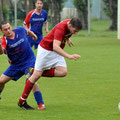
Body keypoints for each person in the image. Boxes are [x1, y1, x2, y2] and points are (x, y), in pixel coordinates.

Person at [18, 18, 82, 109]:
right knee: (36, 76)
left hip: (55, 52)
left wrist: (67, 38)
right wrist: (69, 56)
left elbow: (63, 37)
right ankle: (22, 101)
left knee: (63, 72)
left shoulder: (70, 22)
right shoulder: (61, 28)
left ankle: (33, 71)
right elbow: (55, 46)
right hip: (46, 50)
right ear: (70, 26)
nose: (75, 33)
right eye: (75, 31)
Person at [0, 21, 46, 110]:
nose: (8, 31)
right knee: (1, 81)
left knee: (31, 78)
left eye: (9, 28)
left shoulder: (20, 30)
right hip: (16, 65)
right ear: (2, 31)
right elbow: (1, 52)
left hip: (29, 60)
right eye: (5, 30)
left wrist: (34, 36)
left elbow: (27, 31)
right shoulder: (4, 40)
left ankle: (40, 103)